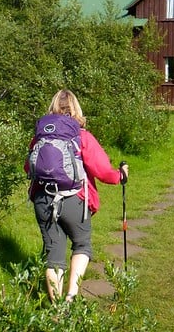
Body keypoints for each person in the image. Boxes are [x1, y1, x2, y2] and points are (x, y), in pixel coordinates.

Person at [25, 89, 129, 302]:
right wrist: (121, 175)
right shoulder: (83, 137)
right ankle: (71, 296)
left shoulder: (39, 137)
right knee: (82, 244)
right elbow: (103, 173)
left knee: (53, 252)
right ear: (76, 109)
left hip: (43, 200)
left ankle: (57, 309)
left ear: (53, 108)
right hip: (75, 201)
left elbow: (29, 168)